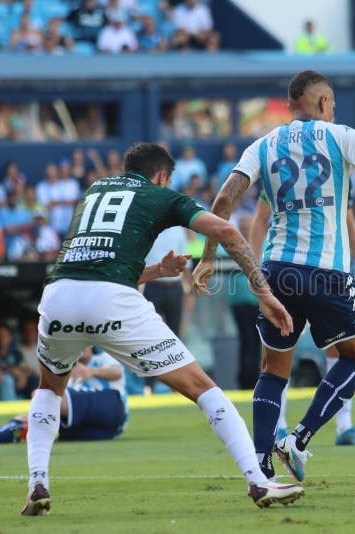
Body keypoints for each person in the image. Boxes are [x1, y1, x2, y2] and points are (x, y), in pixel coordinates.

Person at [19, 142, 303, 516]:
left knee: (50, 388)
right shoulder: (161, 195)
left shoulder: (94, 191)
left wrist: (154, 272)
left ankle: (37, 481)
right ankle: (258, 479)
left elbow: (98, 265)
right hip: (112, 301)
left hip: (58, 296)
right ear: (164, 176)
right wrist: (263, 292)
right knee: (203, 389)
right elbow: (226, 231)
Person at [192, 70, 355, 482]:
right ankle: (298, 440)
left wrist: (208, 257)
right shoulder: (341, 136)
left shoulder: (263, 144)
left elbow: (223, 199)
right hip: (326, 271)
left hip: (276, 270)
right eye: (332, 103)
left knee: (273, 369)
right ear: (323, 103)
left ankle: (260, 465)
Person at [249, 189, 355, 446]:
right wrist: (255, 273)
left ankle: (344, 426)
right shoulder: (286, 170)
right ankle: (282, 428)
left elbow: (347, 218)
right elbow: (259, 220)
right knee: (282, 355)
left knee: (337, 349)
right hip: (301, 270)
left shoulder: (337, 171)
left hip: (317, 269)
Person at [0, 346, 127, 445]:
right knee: (30, 417)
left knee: (45, 397)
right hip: (103, 432)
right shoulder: (69, 369)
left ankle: (41, 423)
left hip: (112, 409)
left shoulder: (101, 359)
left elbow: (116, 372)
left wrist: (91, 371)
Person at [141, 225, 190, 394]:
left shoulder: (178, 230)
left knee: (175, 336)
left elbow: (186, 262)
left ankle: (175, 385)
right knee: (149, 336)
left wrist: (188, 292)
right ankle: (149, 384)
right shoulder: (149, 228)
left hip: (175, 287)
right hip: (153, 286)